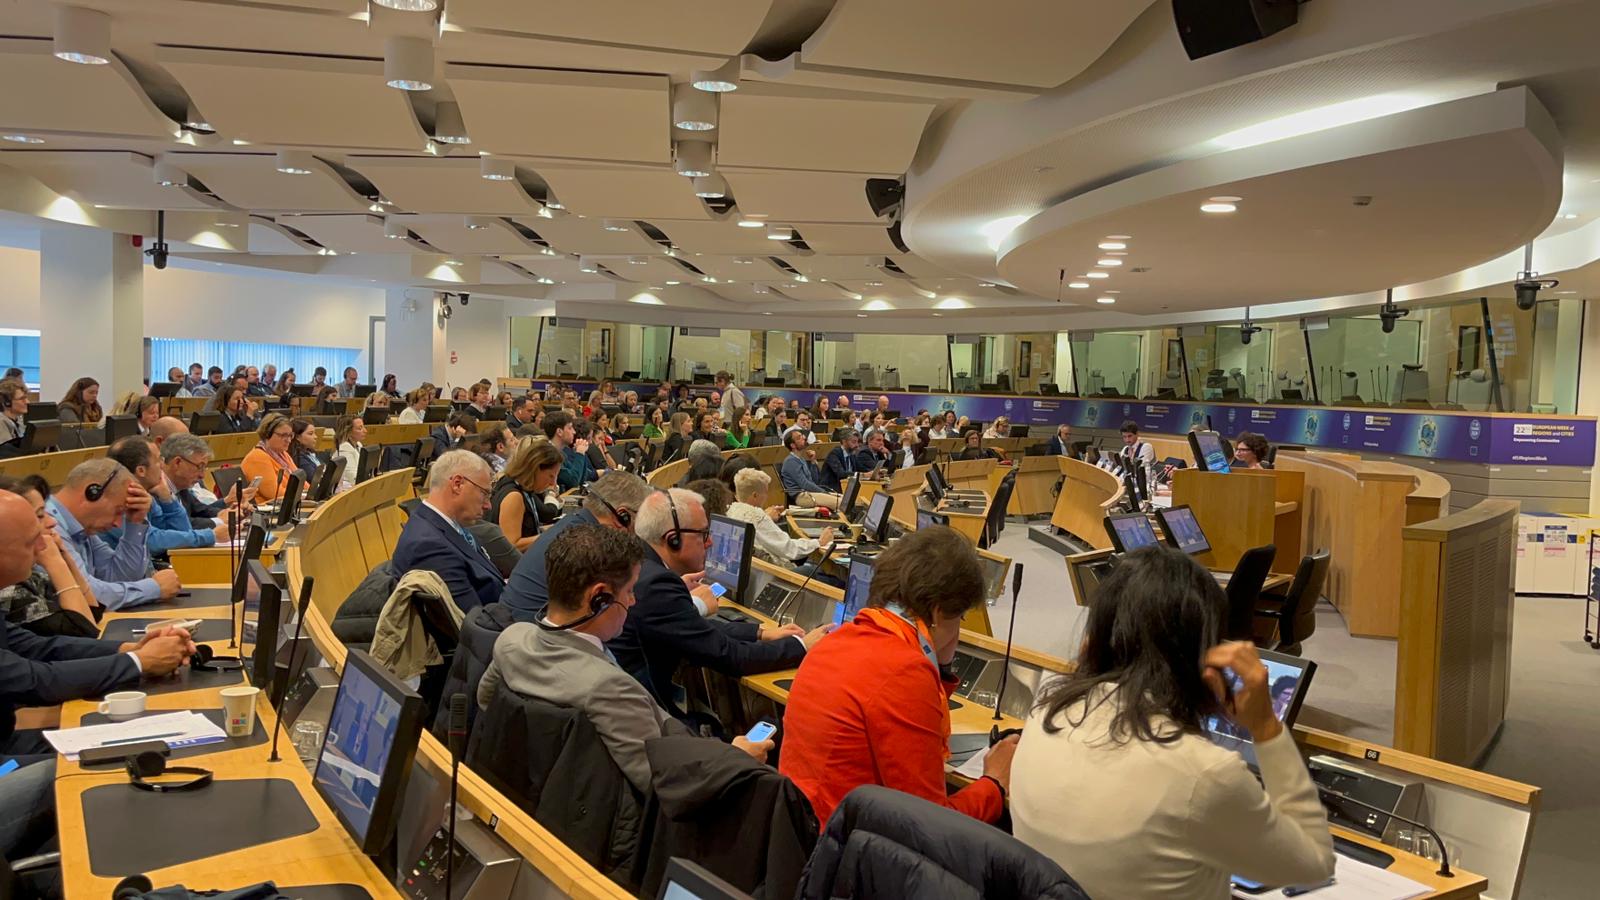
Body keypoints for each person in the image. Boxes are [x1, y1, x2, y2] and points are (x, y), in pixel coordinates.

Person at [1012, 547, 1334, 898]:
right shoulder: (1206, 773)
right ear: (1203, 655)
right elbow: (1313, 863)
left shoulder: (1043, 713)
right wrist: (1267, 728)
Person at [479, 525, 770, 794]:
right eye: (629, 591)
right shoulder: (608, 688)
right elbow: (659, 785)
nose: (632, 601)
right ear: (599, 598)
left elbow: (486, 702)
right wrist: (733, 758)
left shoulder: (512, 640)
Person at [0, 490, 197, 866]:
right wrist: (140, 663)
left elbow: (40, 648)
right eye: (30, 542)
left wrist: (128, 650)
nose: (43, 546)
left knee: (126, 740)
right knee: (85, 770)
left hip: (8, 742)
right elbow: (34, 679)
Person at [780, 526, 1014, 828]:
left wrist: (941, 667)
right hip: (845, 846)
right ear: (938, 613)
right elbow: (930, 826)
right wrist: (994, 783)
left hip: (804, 831)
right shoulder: (904, 670)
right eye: (960, 617)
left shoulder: (837, 640)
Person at [609, 489, 827, 716]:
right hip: (648, 714)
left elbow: (693, 628)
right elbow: (729, 656)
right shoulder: (655, 584)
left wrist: (760, 633)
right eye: (703, 534)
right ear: (673, 539)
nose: (710, 542)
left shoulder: (643, 564)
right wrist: (802, 646)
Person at [501, 471, 651, 622]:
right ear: (623, 516)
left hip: (515, 622)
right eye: (640, 518)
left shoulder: (574, 525)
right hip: (532, 626)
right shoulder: (591, 544)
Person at [45, 458, 180, 610]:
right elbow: (86, 595)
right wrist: (154, 588)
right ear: (92, 493)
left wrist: (135, 523)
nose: (117, 524)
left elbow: (120, 576)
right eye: (118, 511)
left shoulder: (82, 528)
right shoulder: (48, 526)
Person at [392, 450, 505, 612]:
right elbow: (474, 621)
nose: (488, 505)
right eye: (484, 493)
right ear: (457, 484)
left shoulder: (446, 526)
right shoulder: (429, 546)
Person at [0, 474, 102, 637]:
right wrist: (55, 562)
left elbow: (93, 611)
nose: (53, 522)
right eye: (40, 515)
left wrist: (64, 555)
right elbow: (84, 630)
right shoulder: (10, 588)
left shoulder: (33, 575)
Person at [106, 436, 229, 553]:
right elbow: (151, 541)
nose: (162, 465)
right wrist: (210, 536)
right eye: (158, 460)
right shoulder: (117, 500)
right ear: (141, 471)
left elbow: (182, 533)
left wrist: (168, 499)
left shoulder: (148, 495)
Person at [726, 468, 836, 569]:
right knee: (815, 571)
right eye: (765, 492)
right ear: (755, 495)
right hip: (774, 573)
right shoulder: (757, 517)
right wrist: (819, 542)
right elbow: (789, 549)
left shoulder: (731, 511)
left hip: (753, 570)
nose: (766, 497)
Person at [161, 433, 251, 530]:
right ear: (177, 462)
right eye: (200, 467)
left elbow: (201, 510)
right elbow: (177, 525)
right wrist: (219, 521)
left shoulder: (181, 488)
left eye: (204, 468)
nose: (202, 476)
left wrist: (227, 513)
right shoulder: (156, 490)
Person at [492, 438, 562, 552]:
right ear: (535, 469)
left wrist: (552, 529)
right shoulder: (514, 496)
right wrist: (551, 535)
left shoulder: (524, 490)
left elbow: (526, 531)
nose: (553, 483)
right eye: (551, 476)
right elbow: (512, 545)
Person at [240, 414, 300, 503]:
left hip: (288, 503)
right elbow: (275, 494)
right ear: (267, 434)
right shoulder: (258, 457)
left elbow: (300, 481)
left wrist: (312, 493)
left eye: (290, 435)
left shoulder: (283, 454)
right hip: (266, 508)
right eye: (283, 435)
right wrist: (302, 495)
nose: (289, 440)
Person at [780, 429, 842, 508]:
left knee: (845, 499)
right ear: (793, 445)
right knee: (841, 503)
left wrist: (813, 461)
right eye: (799, 437)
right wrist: (823, 492)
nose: (804, 437)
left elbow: (815, 480)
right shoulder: (790, 461)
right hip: (801, 496)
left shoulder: (801, 459)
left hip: (810, 493)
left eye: (802, 435)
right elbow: (804, 484)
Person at [543, 411, 597, 491]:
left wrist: (582, 453)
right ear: (559, 432)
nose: (574, 432)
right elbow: (573, 482)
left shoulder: (562, 453)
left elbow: (582, 479)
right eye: (570, 428)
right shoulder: (548, 454)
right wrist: (580, 454)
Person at [334, 415, 366, 492]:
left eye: (363, 427)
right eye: (360, 428)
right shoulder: (344, 448)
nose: (365, 431)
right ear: (348, 431)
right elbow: (352, 477)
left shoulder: (358, 444)